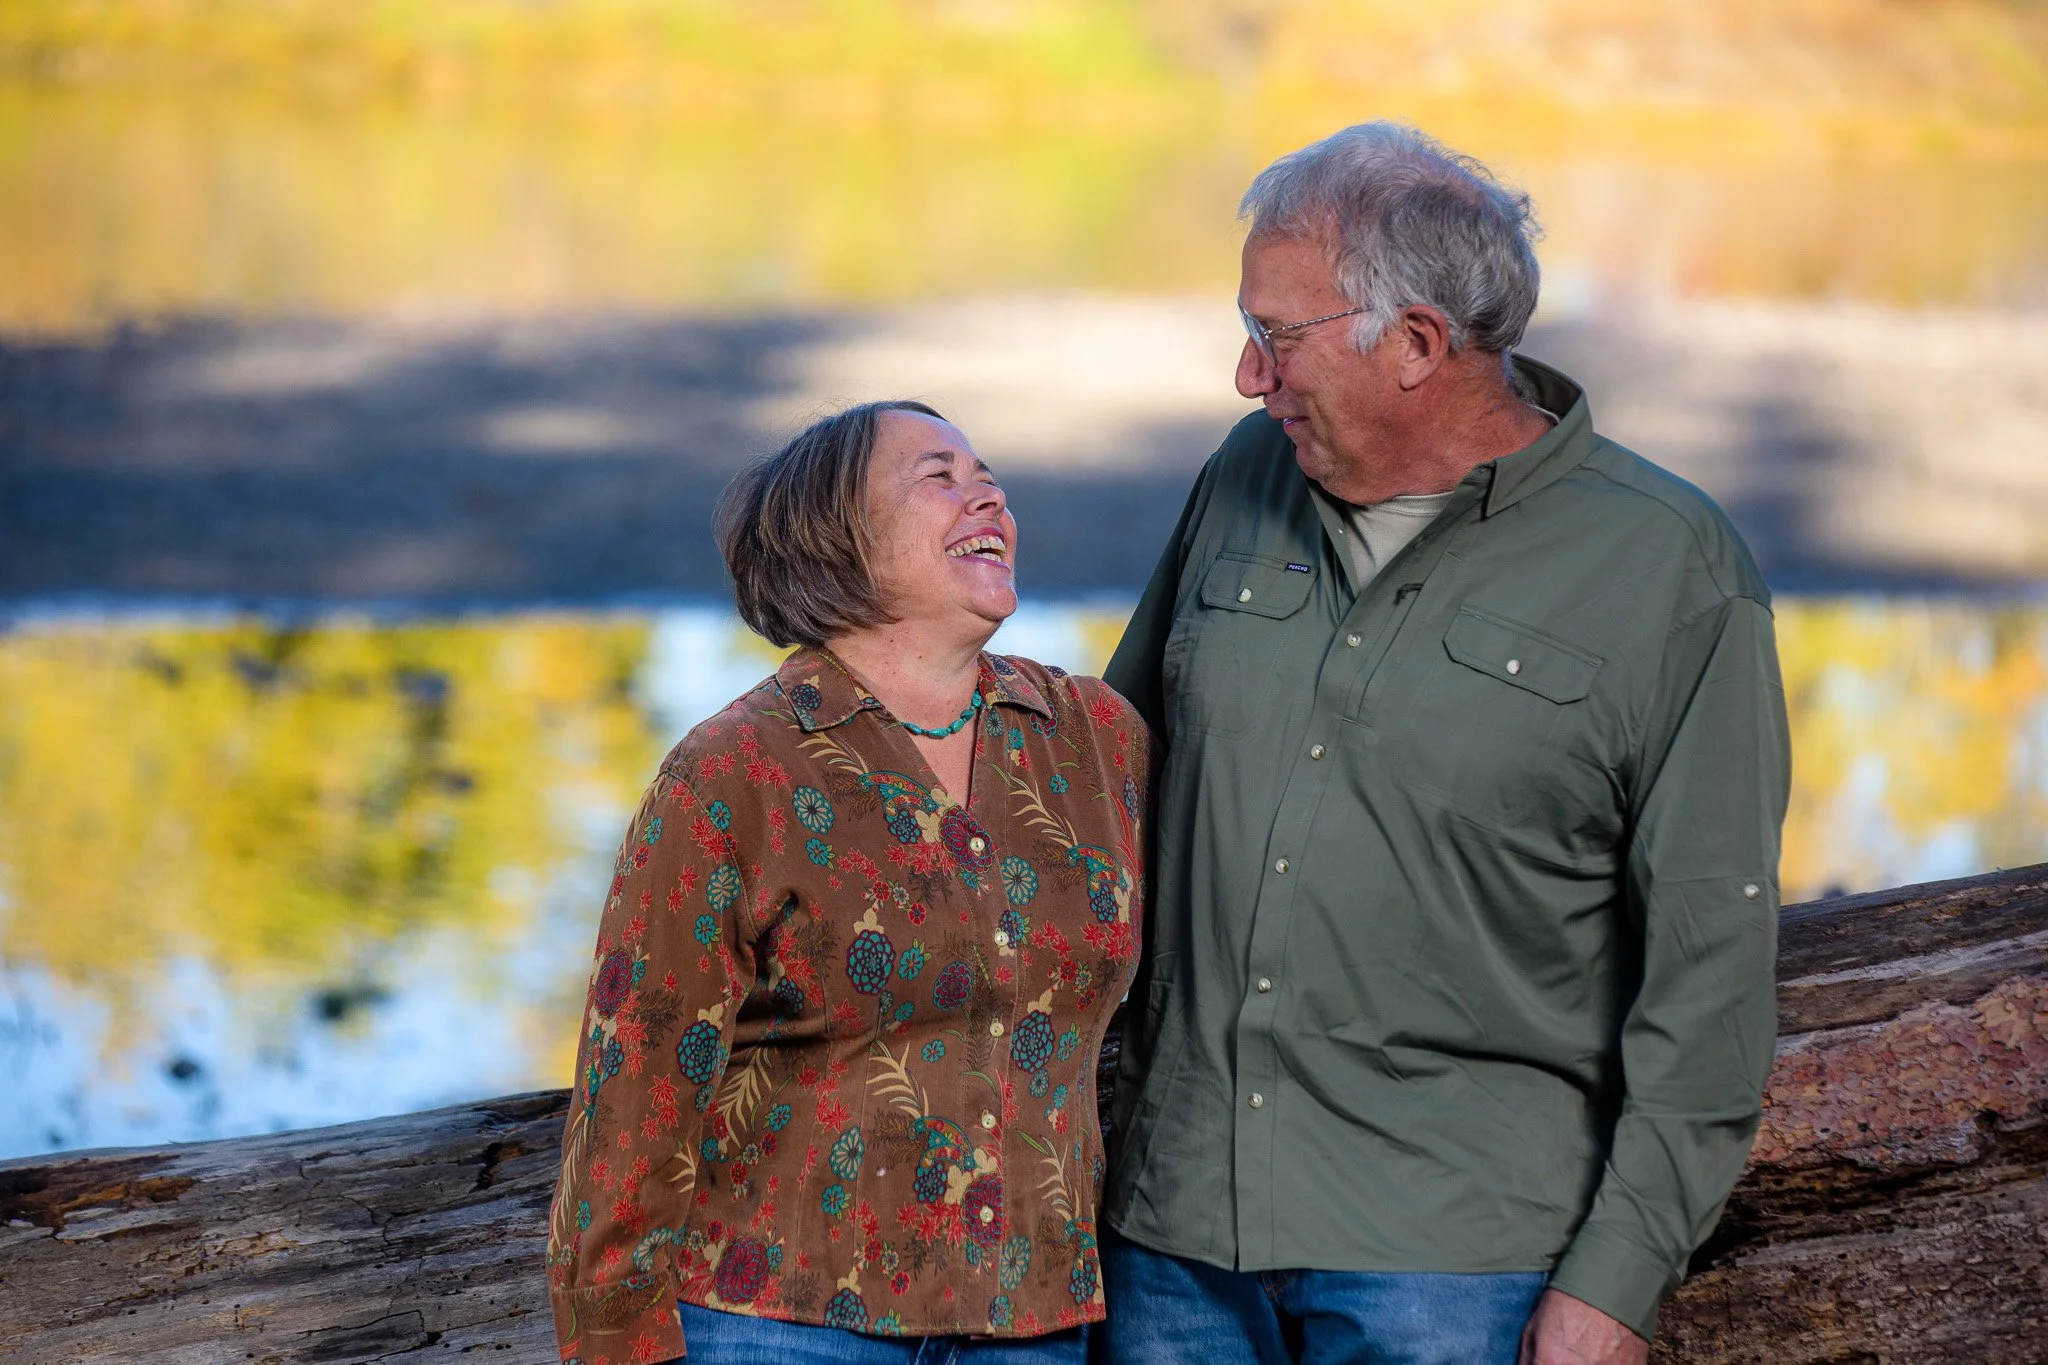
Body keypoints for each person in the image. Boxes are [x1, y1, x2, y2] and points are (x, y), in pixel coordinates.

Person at [1097, 123, 1790, 1365]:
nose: (1246, 377)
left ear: (1415, 344)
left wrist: (1617, 1282)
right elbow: (1105, 783)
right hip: (1173, 1242)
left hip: (1452, 1269)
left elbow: (1710, 966)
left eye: (1276, 336)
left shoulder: (1671, 570)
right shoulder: (1241, 477)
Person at [545, 401, 1150, 1364]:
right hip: (781, 1324)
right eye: (937, 478)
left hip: (1033, 1322)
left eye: (986, 472)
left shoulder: (1095, 739)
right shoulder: (733, 770)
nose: (986, 490)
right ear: (840, 542)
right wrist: (617, 1334)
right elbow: (637, 1082)